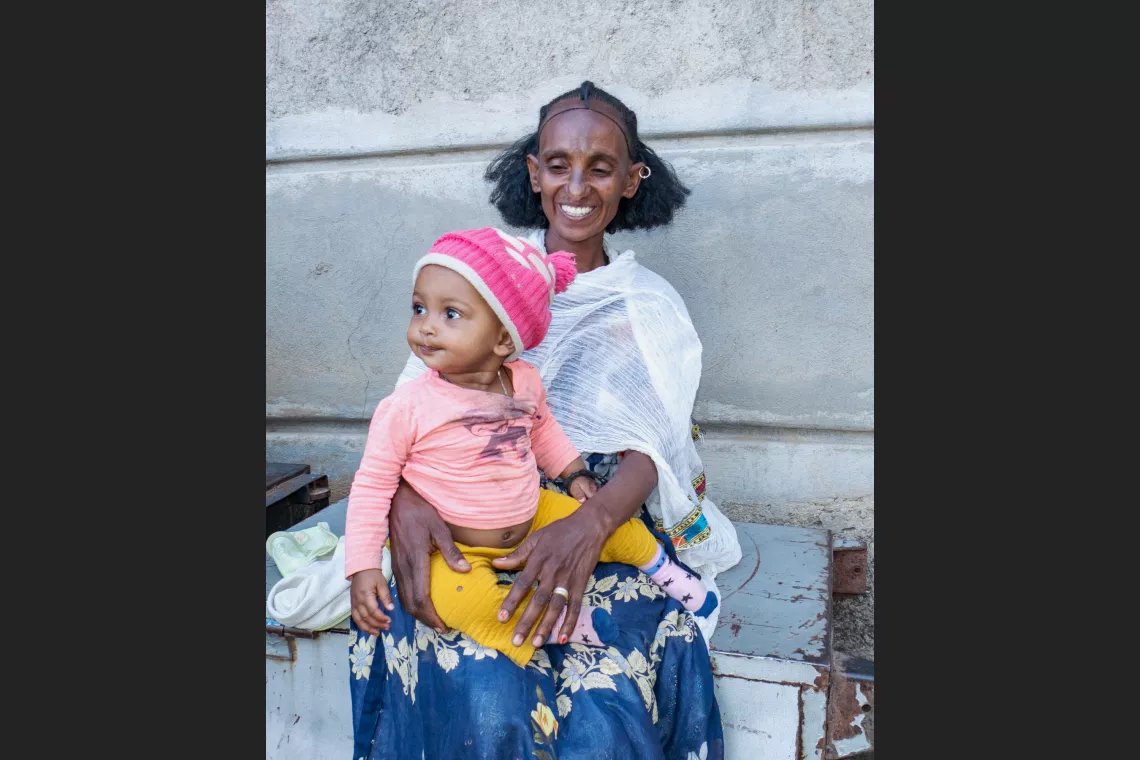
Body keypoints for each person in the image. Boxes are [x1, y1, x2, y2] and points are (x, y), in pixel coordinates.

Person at [348, 81, 741, 760]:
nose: (577, 185)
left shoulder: (648, 305)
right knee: (478, 684)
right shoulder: (476, 279)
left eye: (601, 166)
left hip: (597, 511)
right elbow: (413, 420)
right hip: (460, 520)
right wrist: (405, 507)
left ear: (631, 180)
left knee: (603, 706)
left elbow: (655, 446)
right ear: (534, 173)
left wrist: (587, 526)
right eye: (558, 164)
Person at [346, 227, 716, 667]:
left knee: (615, 529)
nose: (426, 325)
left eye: (450, 314)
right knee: (457, 602)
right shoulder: (407, 406)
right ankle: (565, 626)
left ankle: (673, 576)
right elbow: (372, 486)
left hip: (531, 512)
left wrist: (574, 472)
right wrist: (364, 565)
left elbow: (543, 431)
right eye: (419, 308)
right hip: (456, 543)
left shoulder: (522, 379)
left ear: (504, 340)